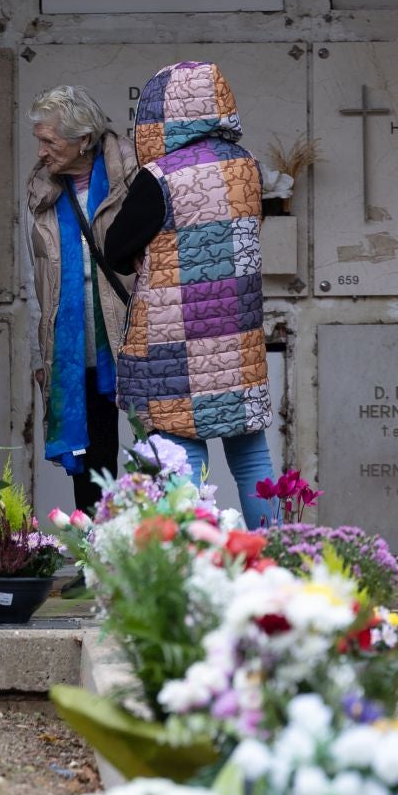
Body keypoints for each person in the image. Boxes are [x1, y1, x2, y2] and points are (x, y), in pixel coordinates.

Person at [103, 60, 277, 531]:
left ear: (160, 117)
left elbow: (116, 247)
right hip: (236, 338)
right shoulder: (246, 167)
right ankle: (278, 561)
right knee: (250, 456)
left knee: (184, 458)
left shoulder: (159, 176)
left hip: (172, 342)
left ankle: (194, 565)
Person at [26, 85, 138, 513]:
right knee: (95, 455)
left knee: (158, 451)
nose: (40, 152)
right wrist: (44, 351)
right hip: (76, 344)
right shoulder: (41, 189)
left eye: (49, 141)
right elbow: (40, 274)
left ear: (84, 140)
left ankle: (160, 555)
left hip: (131, 332)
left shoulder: (135, 175)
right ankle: (96, 556)